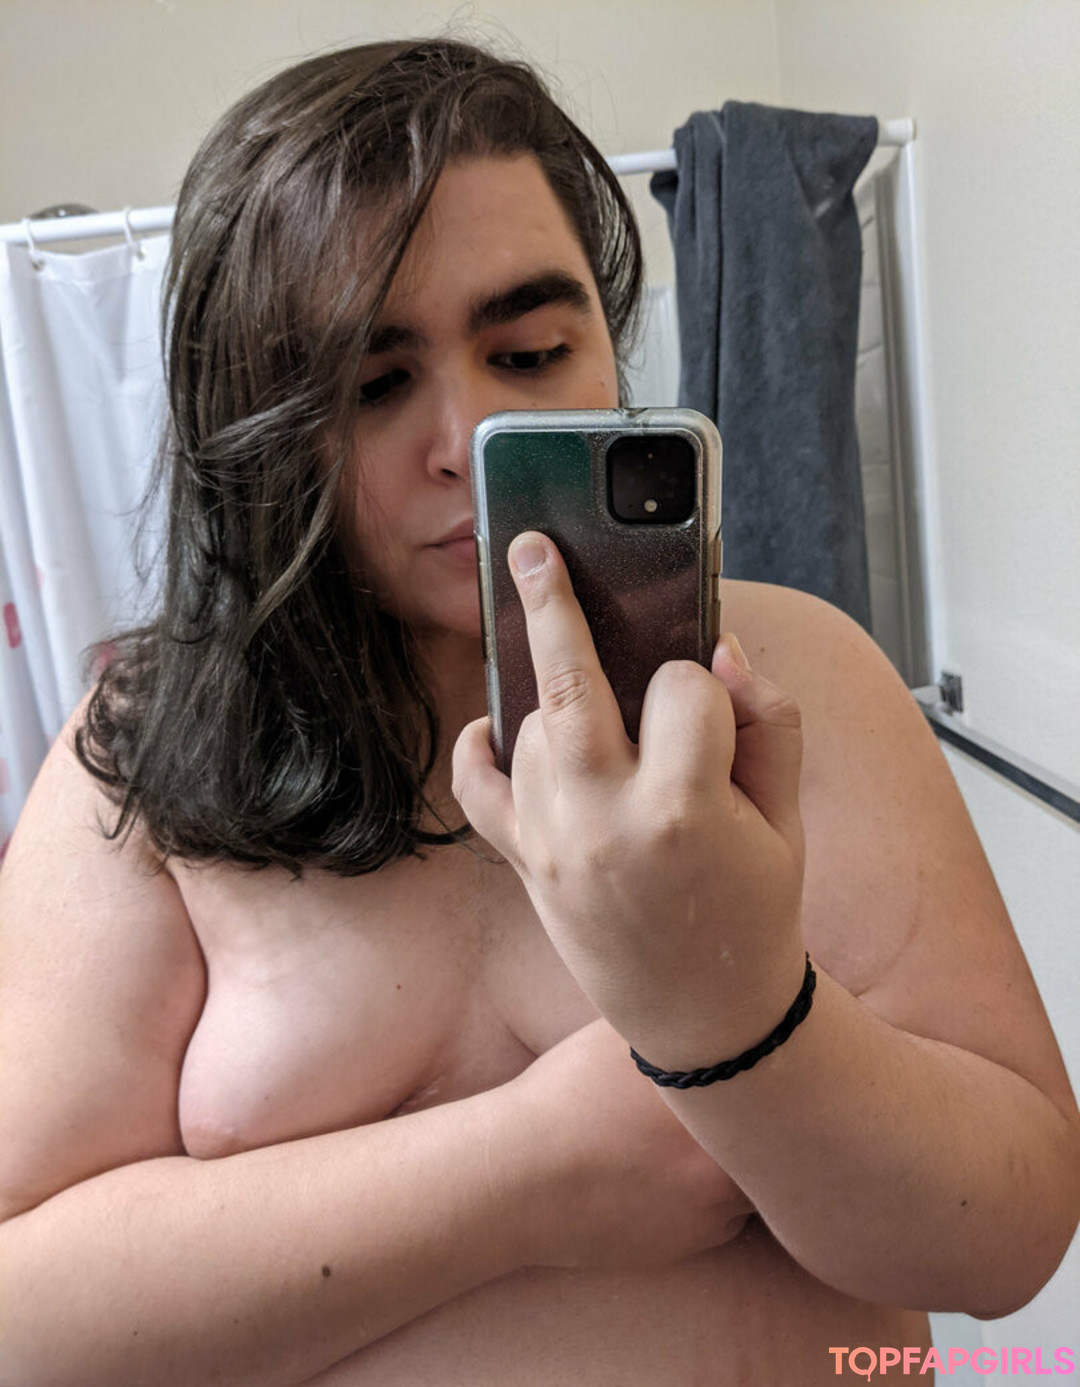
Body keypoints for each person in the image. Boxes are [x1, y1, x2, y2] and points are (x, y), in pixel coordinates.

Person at [0, 37, 1077, 1387]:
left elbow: (1011, 1241)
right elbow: (24, 1321)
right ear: (259, 430)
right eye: (372, 383)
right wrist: (536, 1169)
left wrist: (741, 1018)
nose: (468, 435)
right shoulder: (148, 753)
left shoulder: (802, 673)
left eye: (531, 349)